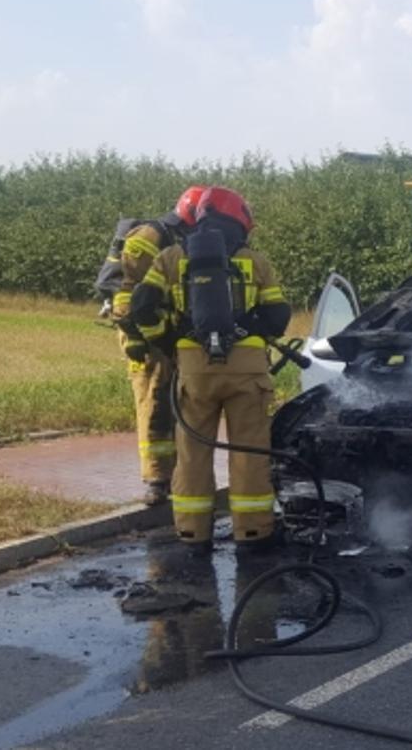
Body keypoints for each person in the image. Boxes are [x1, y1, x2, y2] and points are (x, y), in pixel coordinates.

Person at [130, 186, 291, 552]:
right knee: (250, 452)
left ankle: (192, 533)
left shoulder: (171, 257)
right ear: (240, 218)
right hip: (247, 371)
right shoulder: (256, 261)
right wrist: (252, 330)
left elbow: (142, 305)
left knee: (191, 453)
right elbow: (279, 316)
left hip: (194, 371)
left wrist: (167, 340)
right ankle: (253, 533)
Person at [109, 186, 204, 506]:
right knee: (153, 406)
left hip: (165, 335)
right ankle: (155, 480)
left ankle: (172, 474)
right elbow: (127, 292)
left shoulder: (177, 239)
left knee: (173, 403)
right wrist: (136, 339)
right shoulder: (150, 237)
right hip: (145, 338)